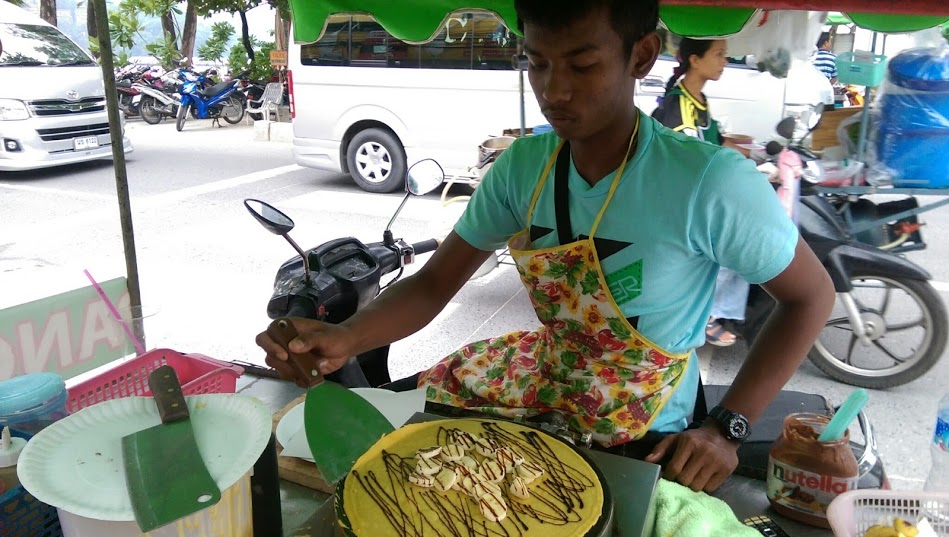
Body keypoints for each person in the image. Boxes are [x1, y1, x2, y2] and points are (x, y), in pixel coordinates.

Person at [256, 0, 835, 493]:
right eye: (537, 63)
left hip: (646, 414)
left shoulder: (708, 183)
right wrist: (346, 337)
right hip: (549, 376)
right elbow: (435, 283)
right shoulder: (523, 169)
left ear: (640, 54)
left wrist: (729, 426)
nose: (554, 91)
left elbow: (810, 298)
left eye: (582, 65)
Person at [650, 38, 749, 347]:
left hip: (694, 192)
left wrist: (753, 156)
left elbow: (717, 142)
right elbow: (689, 163)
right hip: (675, 200)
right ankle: (708, 314)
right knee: (735, 240)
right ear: (695, 59)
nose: (724, 61)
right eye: (719, 55)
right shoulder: (679, 105)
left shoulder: (697, 99)